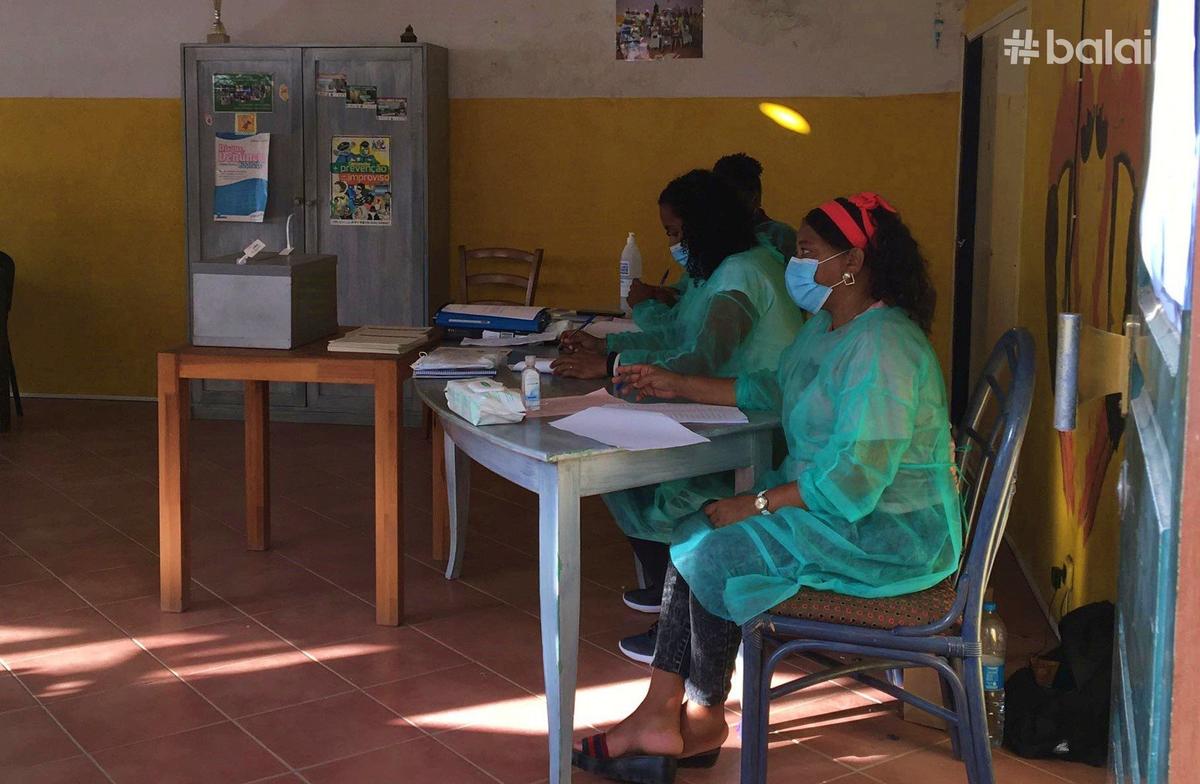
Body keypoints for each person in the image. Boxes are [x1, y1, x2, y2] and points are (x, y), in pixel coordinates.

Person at [572, 193, 962, 783]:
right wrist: (674, 383)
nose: (795, 263)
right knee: (695, 528)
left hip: (886, 535)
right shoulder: (830, 328)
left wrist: (756, 503)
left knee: (717, 544)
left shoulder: (885, 347)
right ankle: (680, 713)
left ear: (849, 263)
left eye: (807, 251)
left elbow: (854, 479)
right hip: (837, 511)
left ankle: (692, 717)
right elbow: (770, 391)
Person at [554, 169, 803, 662]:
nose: (671, 244)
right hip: (728, 405)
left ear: (703, 226)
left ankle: (681, 619)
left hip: (760, 425)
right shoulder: (721, 270)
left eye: (674, 233)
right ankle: (666, 592)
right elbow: (679, 338)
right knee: (624, 465)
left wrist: (609, 364)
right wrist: (609, 346)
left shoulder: (742, 275)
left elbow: (702, 359)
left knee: (654, 482)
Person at [713, 152, 797, 261]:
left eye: (730, 198)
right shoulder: (716, 235)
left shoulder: (781, 236)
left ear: (753, 197)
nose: (723, 206)